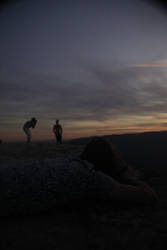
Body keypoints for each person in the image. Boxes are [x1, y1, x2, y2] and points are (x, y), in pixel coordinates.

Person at [0, 137, 158, 216]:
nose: (119, 158)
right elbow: (149, 196)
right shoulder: (90, 177)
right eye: (116, 157)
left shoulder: (69, 162)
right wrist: (127, 176)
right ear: (107, 161)